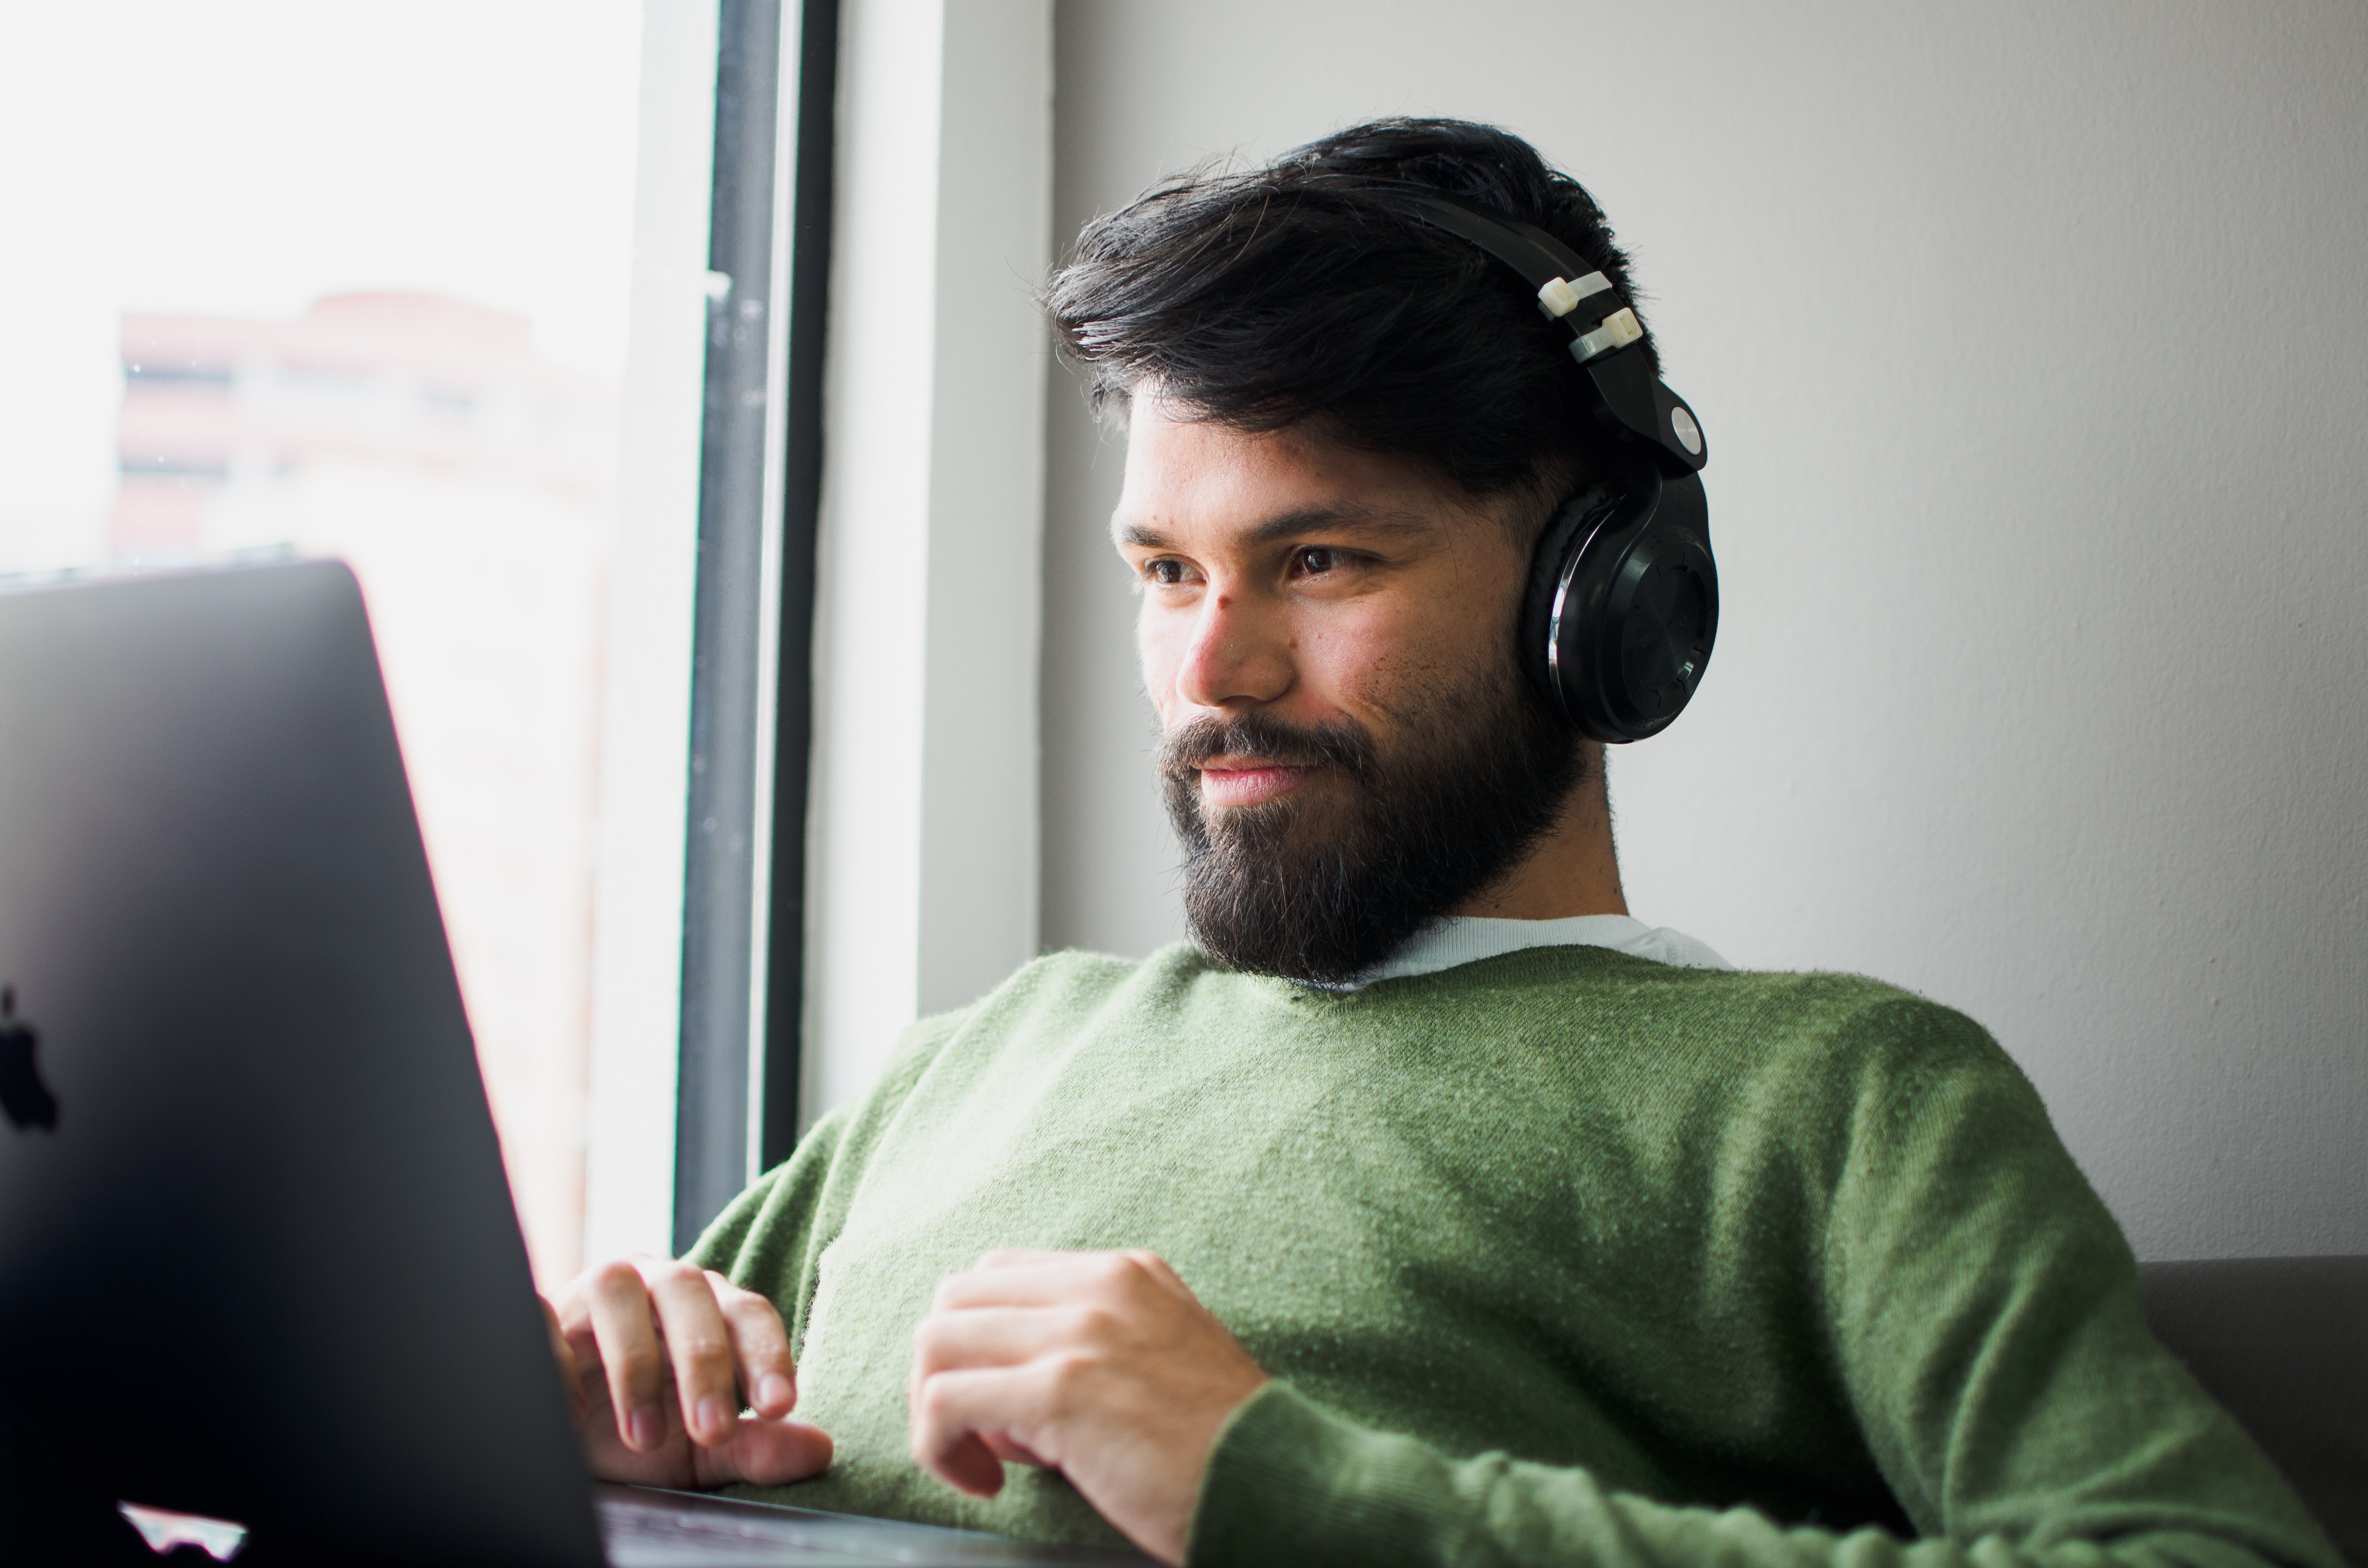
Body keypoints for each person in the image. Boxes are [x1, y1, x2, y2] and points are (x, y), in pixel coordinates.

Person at [545, 120, 2342, 1568]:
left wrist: (1272, 1486)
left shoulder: (1835, 1100)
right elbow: (675, 1409)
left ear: (1603, 597)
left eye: (1320, 562)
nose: (1213, 671)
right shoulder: (978, 1058)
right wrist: (574, 1427)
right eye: (1169, 572)